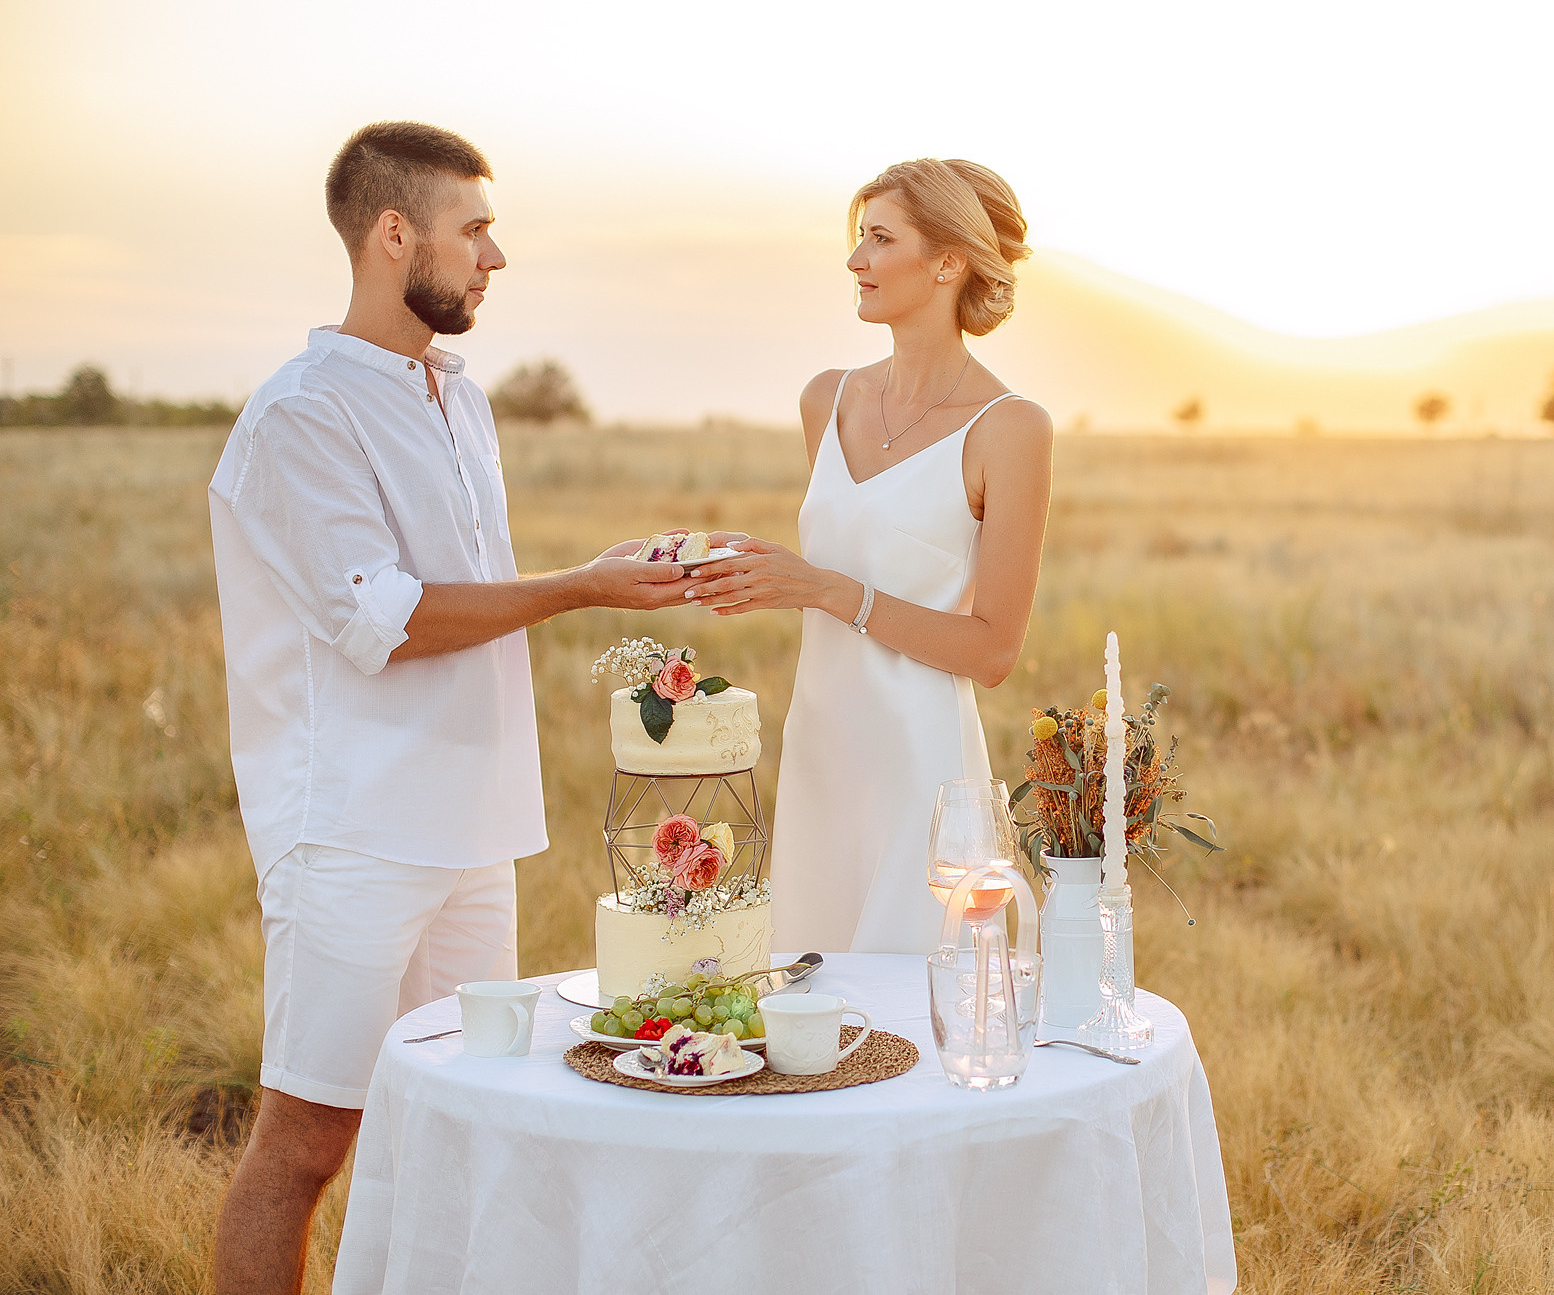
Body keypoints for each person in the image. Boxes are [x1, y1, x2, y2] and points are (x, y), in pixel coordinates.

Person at [207, 121, 687, 1295]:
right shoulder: (299, 417)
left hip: (476, 834)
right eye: (474, 228)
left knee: (467, 1125)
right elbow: (391, 620)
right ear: (392, 234)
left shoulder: (457, 399)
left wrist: (591, 578)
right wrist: (582, 586)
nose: (495, 256)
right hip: (355, 834)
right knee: (308, 1139)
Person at [685, 158, 1053, 954]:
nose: (856, 260)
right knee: (815, 1019)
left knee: (918, 1024)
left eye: (880, 238)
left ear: (949, 262)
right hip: (821, 753)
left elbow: (993, 649)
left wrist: (829, 591)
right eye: (858, 237)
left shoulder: (1011, 427)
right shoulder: (828, 398)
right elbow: (838, 550)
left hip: (921, 770)